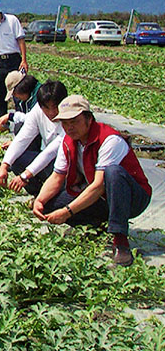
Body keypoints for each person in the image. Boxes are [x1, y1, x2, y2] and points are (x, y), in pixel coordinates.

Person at [32, 95, 151, 267]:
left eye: (74, 121)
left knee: (113, 172)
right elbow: (57, 177)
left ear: (89, 118)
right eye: (65, 123)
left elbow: (98, 186)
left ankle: (120, 240)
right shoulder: (68, 142)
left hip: (132, 197)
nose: (69, 127)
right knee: (50, 204)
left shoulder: (109, 139)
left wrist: (67, 212)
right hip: (101, 197)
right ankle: (98, 223)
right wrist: (40, 200)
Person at [0, 80, 67, 196]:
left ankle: (50, 196)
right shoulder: (38, 110)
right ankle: (38, 194)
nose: (52, 112)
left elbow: (51, 151)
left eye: (55, 107)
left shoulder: (70, 117)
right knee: (17, 159)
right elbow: (23, 138)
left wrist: (25, 175)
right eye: (47, 108)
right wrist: (4, 165)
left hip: (67, 168)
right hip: (50, 163)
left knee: (57, 204)